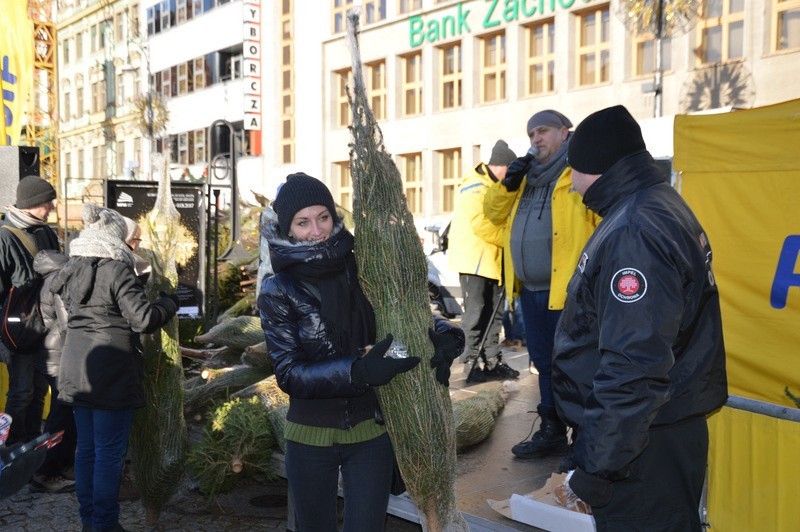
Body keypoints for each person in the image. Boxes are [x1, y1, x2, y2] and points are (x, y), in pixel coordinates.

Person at [552, 105, 728, 530]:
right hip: (652, 431)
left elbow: (633, 365)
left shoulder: (634, 230)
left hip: (641, 444)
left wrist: (597, 467)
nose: (571, 186)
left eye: (572, 170)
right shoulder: (655, 205)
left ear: (595, 167)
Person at [258, 172, 463, 531]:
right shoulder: (279, 289)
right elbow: (289, 373)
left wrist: (446, 337)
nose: (317, 230)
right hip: (310, 436)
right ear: (288, 229)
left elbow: (405, 313)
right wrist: (357, 371)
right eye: (302, 222)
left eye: (323, 217)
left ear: (334, 217)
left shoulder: (365, 267)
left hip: (372, 433)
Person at [51, 204, 179, 532]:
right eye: (132, 240)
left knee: (88, 450)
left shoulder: (73, 265)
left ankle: (90, 520)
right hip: (111, 371)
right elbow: (143, 319)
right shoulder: (117, 269)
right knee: (108, 454)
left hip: (77, 366)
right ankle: (105, 525)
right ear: (116, 237)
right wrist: (169, 303)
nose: (134, 246)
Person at [483, 111, 599, 463]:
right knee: (544, 364)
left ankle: (583, 438)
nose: (536, 138)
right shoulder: (526, 179)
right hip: (531, 290)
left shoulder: (578, 172)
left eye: (543, 130)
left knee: (575, 366)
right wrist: (507, 185)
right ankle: (551, 430)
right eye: (532, 132)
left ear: (565, 132)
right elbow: (492, 215)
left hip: (569, 292)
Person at [448, 140, 519, 383]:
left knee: (494, 315)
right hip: (475, 261)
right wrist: (511, 241)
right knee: (476, 314)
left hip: (494, 259)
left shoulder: (494, 185)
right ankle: (469, 363)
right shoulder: (475, 185)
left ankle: (491, 361)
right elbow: (481, 223)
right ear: (503, 167)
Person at [0, 175, 60, 446]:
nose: (51, 207)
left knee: (38, 390)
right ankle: (13, 447)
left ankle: (34, 443)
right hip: (19, 328)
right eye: (47, 203)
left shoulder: (46, 231)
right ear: (32, 204)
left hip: (45, 323)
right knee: (22, 390)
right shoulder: (4, 236)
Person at [28, 249, 77, 494]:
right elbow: (70, 323)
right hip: (60, 356)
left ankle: (61, 465)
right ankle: (45, 473)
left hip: (50, 354)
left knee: (66, 413)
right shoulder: (60, 280)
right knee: (61, 416)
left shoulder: (46, 278)